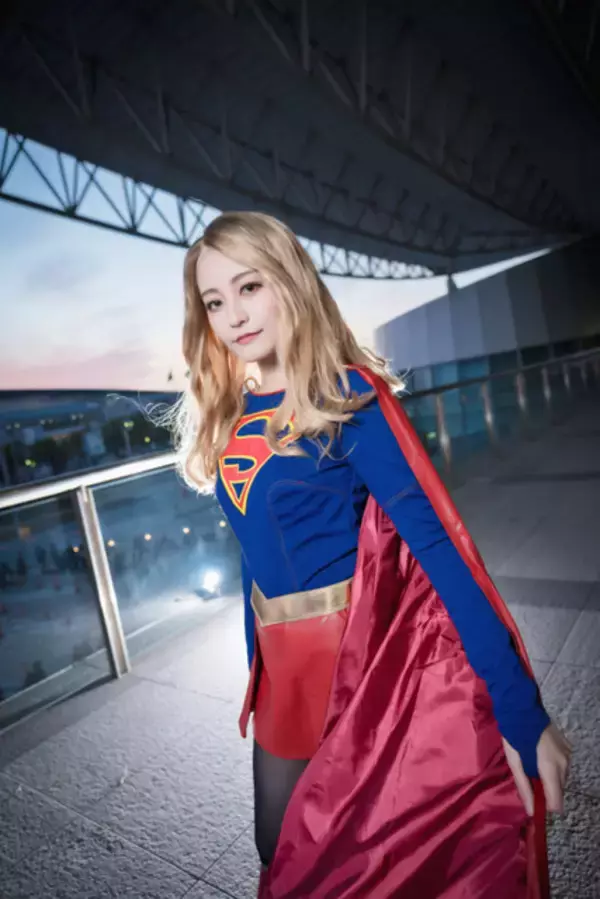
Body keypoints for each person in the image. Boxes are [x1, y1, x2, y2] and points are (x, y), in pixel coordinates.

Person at [173, 211, 571, 899]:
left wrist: (519, 707)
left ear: (289, 282)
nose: (233, 315)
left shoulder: (347, 399)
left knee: (364, 866)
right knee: (277, 848)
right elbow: (251, 557)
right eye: (214, 301)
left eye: (249, 287)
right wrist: (256, 669)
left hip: (358, 672)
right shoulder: (235, 415)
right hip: (282, 677)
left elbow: (439, 546)